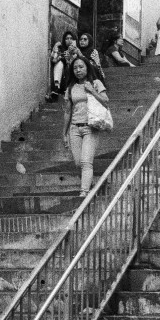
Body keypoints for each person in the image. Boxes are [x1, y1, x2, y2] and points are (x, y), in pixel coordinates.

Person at [62, 56, 109, 197]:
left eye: (81, 67)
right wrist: (64, 133)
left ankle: (84, 193)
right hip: (74, 128)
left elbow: (106, 101)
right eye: (75, 68)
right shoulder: (71, 88)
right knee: (78, 163)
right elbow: (67, 111)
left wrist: (92, 91)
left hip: (91, 127)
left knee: (86, 162)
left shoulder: (96, 83)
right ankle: (89, 184)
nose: (78, 70)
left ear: (87, 68)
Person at [46, 30, 79, 102]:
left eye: (71, 38)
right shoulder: (61, 48)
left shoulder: (76, 50)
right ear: (64, 40)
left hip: (72, 74)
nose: (69, 40)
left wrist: (70, 58)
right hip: (60, 75)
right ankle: (56, 89)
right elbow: (53, 60)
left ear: (74, 40)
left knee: (68, 67)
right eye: (67, 38)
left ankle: (65, 91)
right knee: (60, 63)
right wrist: (56, 47)